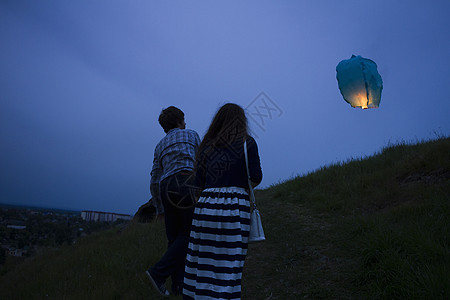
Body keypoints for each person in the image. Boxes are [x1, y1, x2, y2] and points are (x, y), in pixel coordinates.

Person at [183, 103, 263, 300]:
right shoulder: (248, 143)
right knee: (230, 263)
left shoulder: (206, 147)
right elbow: (256, 176)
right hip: (235, 207)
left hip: (206, 205)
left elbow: (197, 183)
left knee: (203, 262)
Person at [146, 106, 201, 297]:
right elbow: (201, 161)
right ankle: (157, 273)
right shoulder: (192, 135)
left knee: (174, 238)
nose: (185, 123)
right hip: (185, 182)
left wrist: (159, 208)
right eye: (183, 120)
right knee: (189, 234)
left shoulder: (159, 146)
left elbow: (154, 178)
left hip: (166, 186)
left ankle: (178, 287)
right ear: (179, 121)